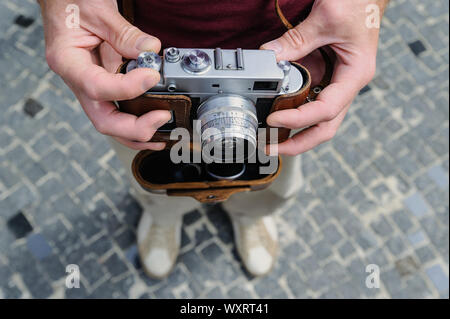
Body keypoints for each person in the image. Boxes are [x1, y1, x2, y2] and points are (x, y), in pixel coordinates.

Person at [38, 0, 388, 279]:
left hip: (296, 50)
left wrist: (366, 6)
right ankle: (164, 212)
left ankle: (250, 212)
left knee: (271, 169)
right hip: (143, 67)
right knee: (153, 164)